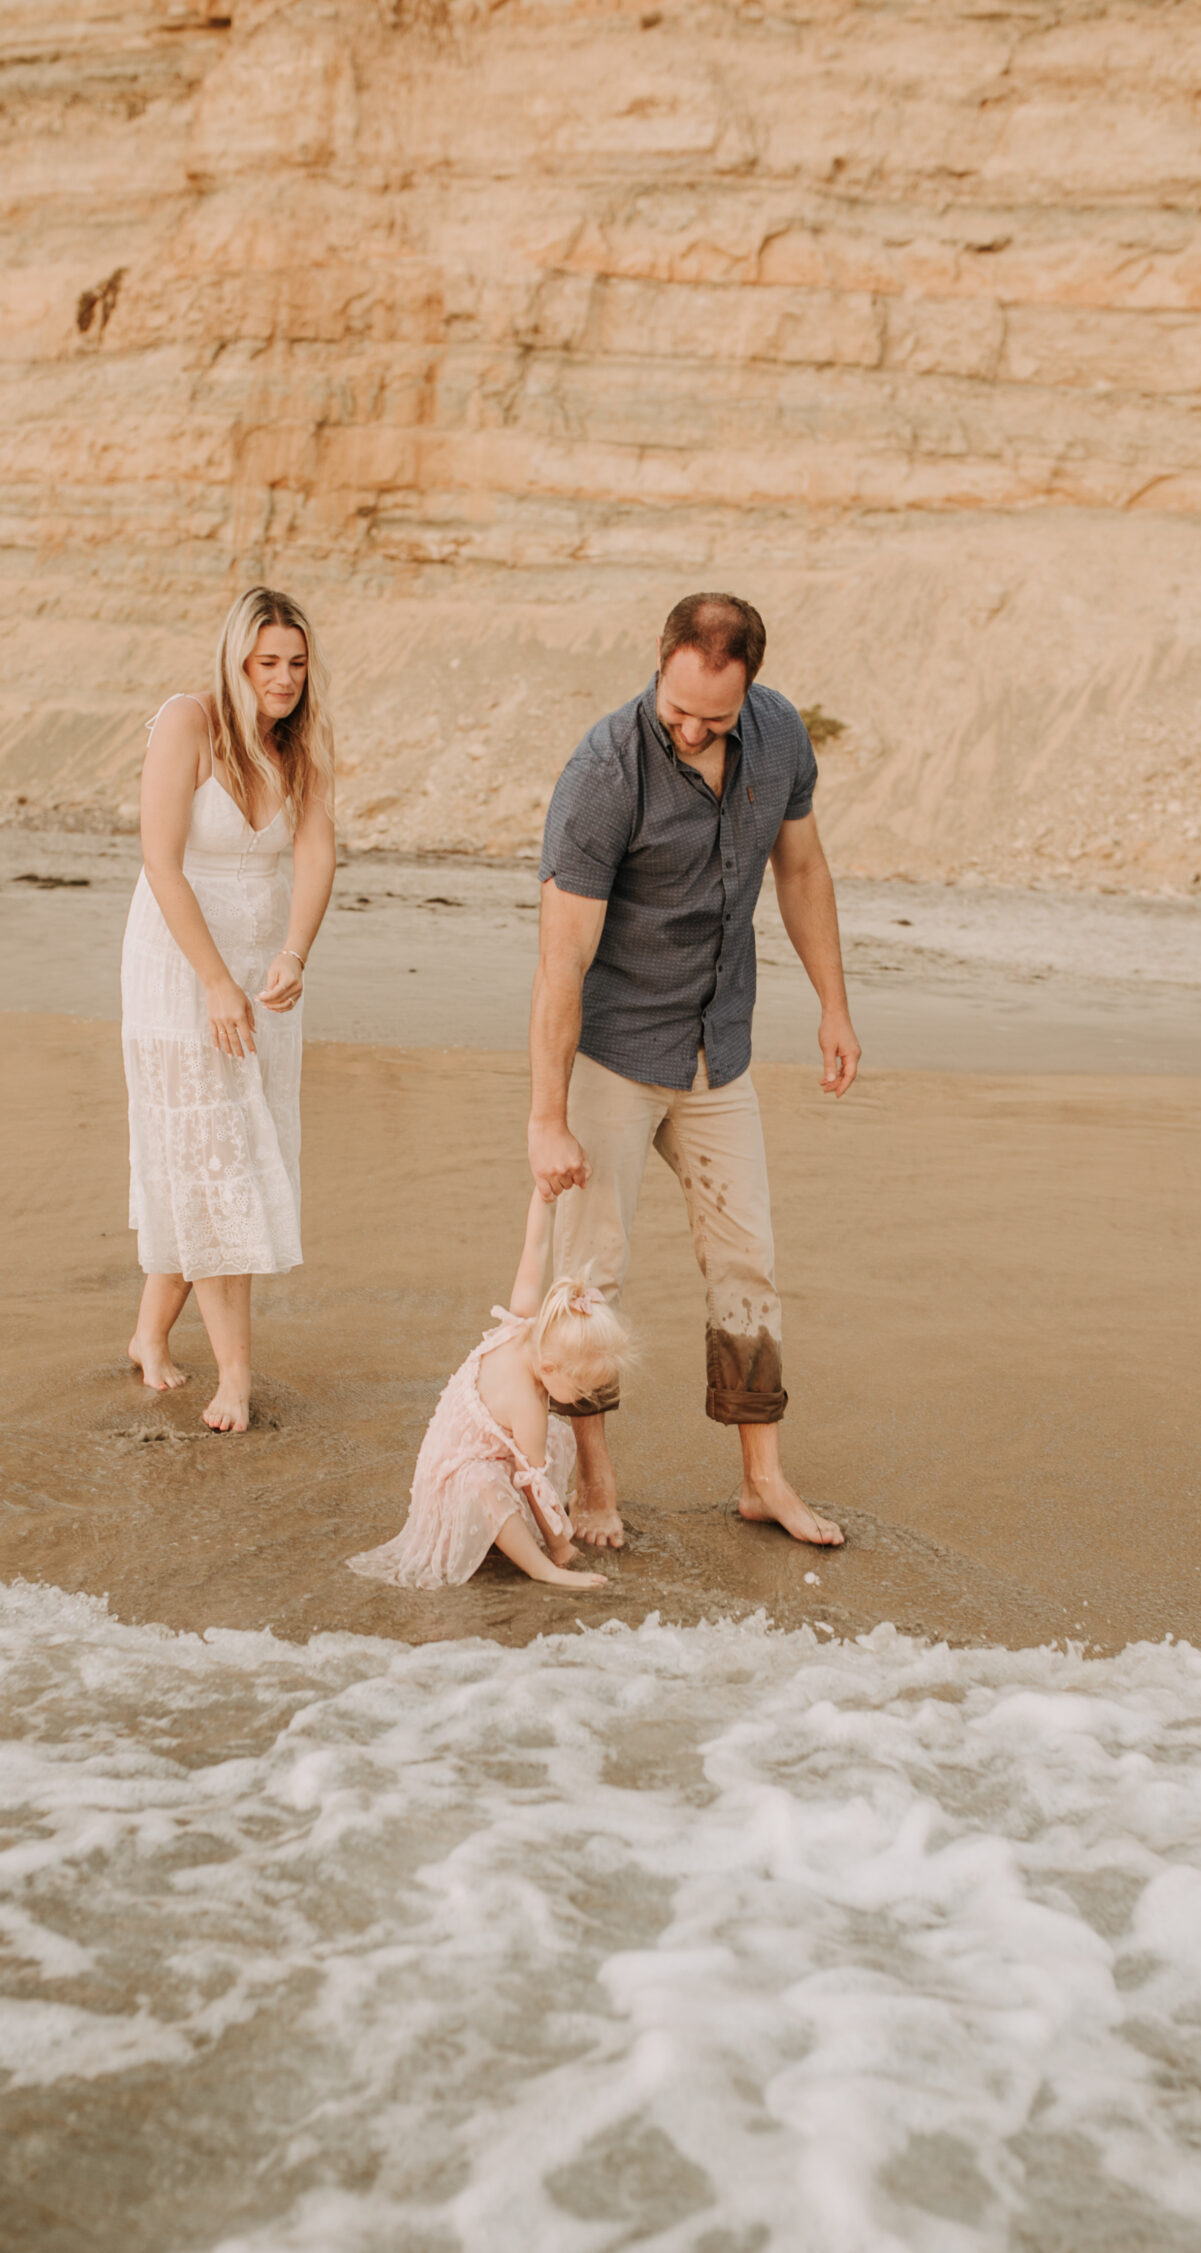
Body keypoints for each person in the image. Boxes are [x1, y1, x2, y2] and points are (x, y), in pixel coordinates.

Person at [528, 591, 860, 1549]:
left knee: (747, 1261)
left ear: (747, 686)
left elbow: (800, 870)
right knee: (588, 1282)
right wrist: (547, 1117)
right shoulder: (604, 771)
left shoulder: (780, 734)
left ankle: (763, 1481)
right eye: (678, 706)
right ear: (663, 657)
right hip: (614, 1053)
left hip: (719, 1046)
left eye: (714, 717)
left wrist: (834, 1006)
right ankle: (595, 1484)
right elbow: (561, 961)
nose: (691, 727)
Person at [121, 586, 336, 1431]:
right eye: (267, 662)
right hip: (177, 962)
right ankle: (236, 1375)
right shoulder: (187, 723)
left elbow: (316, 854)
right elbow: (161, 861)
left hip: (260, 966)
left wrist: (293, 953)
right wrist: (213, 980)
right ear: (236, 659)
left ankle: (148, 1334)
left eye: (295, 663)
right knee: (211, 1153)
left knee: (228, 1148)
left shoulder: (300, 743)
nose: (283, 679)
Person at [349, 1192, 627, 1591]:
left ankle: (504, 1530)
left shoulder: (525, 1322)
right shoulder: (527, 1406)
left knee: (559, 1437)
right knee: (490, 1479)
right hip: (454, 1485)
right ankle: (539, 1567)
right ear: (550, 1368)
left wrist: (540, 1197)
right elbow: (535, 1485)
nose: (584, 1398)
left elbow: (535, 1248)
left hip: (478, 1454)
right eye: (582, 1387)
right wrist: (561, 1550)